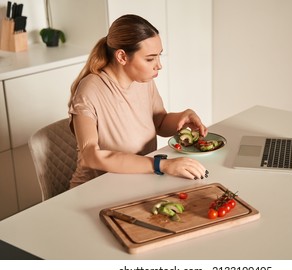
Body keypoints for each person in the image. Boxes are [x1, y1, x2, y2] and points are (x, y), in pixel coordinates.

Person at [68, 14, 209, 188]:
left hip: (139, 181)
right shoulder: (90, 89)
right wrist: (160, 165)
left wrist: (183, 118)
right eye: (150, 59)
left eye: (159, 56)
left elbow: (160, 122)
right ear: (122, 57)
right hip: (97, 189)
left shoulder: (143, 80)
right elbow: (91, 156)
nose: (158, 65)